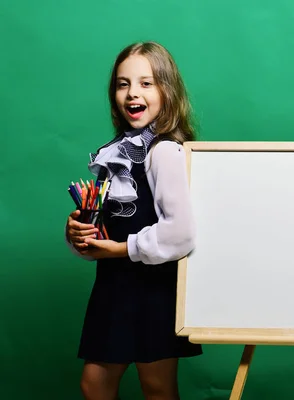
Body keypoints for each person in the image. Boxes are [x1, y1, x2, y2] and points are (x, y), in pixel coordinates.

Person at [65, 41, 202, 400]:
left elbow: (181, 234)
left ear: (166, 90)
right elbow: (106, 229)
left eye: (146, 83)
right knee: (95, 385)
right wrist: (78, 231)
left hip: (151, 287)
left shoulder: (164, 151)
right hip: (113, 285)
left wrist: (118, 249)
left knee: (156, 387)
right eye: (123, 83)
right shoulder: (118, 150)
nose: (132, 93)